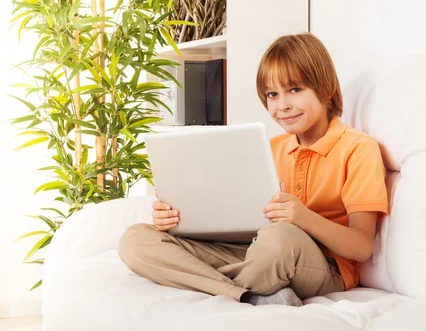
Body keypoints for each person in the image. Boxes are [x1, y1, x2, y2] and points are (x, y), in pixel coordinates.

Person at [118, 33, 388, 307]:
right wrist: (177, 216)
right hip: (255, 251)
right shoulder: (266, 148)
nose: (282, 105)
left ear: (325, 89)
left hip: (320, 265)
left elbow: (361, 247)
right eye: (272, 94)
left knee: (280, 236)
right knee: (135, 240)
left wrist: (302, 217)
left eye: (295, 90)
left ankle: (215, 283)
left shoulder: (358, 149)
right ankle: (252, 294)